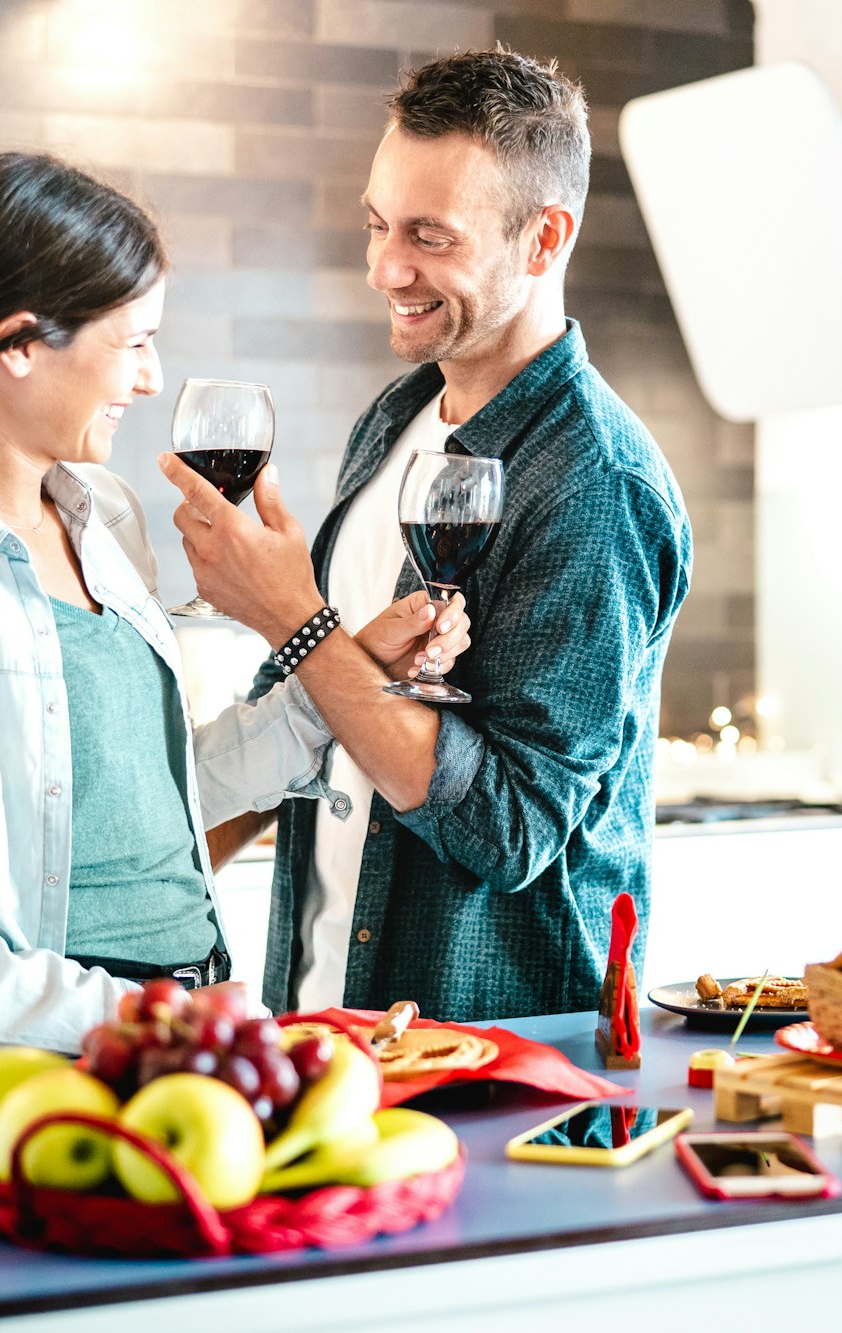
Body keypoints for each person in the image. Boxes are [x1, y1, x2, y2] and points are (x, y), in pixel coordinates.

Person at [0, 152, 467, 1070]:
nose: (151, 377)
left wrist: (343, 674)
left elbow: (147, 798)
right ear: (19, 343)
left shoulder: (107, 518)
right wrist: (124, 1014)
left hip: (189, 1035)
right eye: (132, 343)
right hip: (24, 1075)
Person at [161, 49, 693, 1023]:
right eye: (377, 224)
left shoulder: (595, 483)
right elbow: (317, 714)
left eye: (429, 236)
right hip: (322, 1020)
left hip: (495, 1058)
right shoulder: (397, 417)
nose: (384, 268)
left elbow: (510, 829)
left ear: (544, 238)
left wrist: (294, 616)